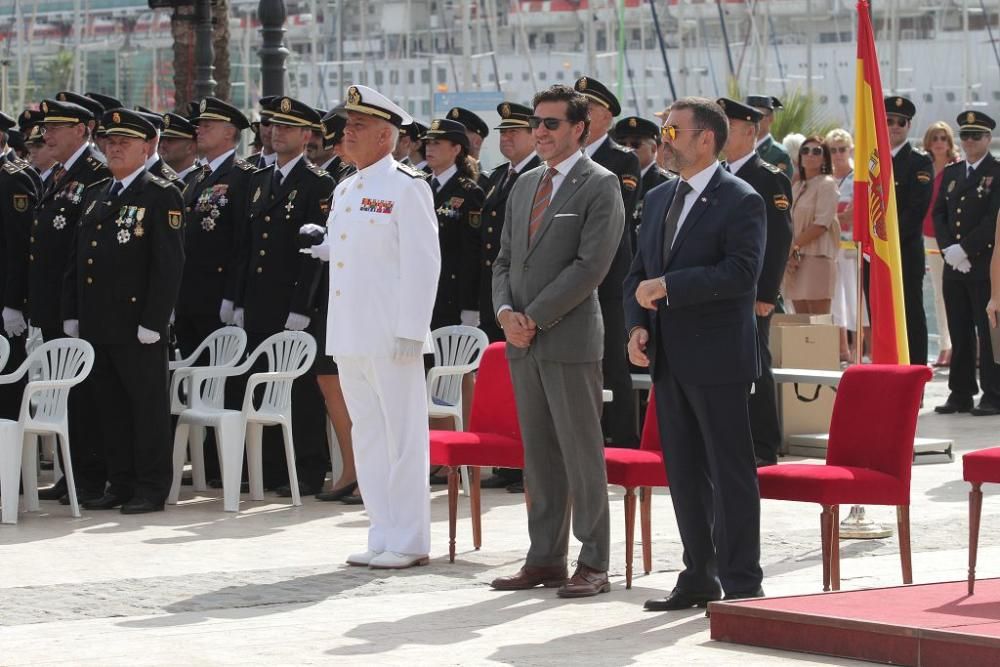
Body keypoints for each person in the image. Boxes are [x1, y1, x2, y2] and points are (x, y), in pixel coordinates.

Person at [625, 96, 765, 610]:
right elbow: (637, 272)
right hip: (669, 355)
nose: (664, 139)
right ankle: (698, 576)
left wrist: (670, 287)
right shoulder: (660, 197)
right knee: (683, 473)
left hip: (718, 357)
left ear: (705, 139)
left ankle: (743, 582)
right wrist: (637, 325)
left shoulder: (741, 198)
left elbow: (741, 273)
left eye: (672, 131)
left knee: (729, 473)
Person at [490, 83, 624, 598]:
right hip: (522, 340)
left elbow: (591, 266)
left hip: (567, 338)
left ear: (578, 129)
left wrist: (533, 316)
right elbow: (503, 260)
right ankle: (544, 558)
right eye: (535, 124)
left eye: (550, 124)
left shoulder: (600, 183)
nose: (539, 132)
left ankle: (594, 562)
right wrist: (505, 313)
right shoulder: (524, 184)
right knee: (540, 456)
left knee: (581, 454)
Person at [304, 84, 440, 569]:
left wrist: (411, 329)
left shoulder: (407, 185)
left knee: (403, 436)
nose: (347, 133)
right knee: (368, 434)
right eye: (347, 126)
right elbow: (359, 256)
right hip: (351, 331)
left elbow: (423, 263)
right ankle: (381, 531)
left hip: (391, 333)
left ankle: (409, 538)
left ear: (386, 134)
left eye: (358, 126)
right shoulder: (346, 186)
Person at [63, 108, 185, 514]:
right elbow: (81, 259)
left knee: (146, 410)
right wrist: (74, 312)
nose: (114, 149)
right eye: (110, 142)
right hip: (100, 322)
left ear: (148, 147)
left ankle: (151, 488)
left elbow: (168, 265)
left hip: (138, 326)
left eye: (125, 143)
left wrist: (154, 321)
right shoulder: (99, 192)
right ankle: (121, 481)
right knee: (110, 408)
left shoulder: (159, 192)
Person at [234, 96, 334, 494]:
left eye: (288, 128)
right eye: (274, 126)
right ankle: (271, 470)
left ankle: (308, 469)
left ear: (307, 135)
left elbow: (317, 255)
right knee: (259, 382)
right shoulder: (259, 180)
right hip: (259, 300)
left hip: (293, 303)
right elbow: (246, 245)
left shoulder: (318, 183)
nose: (278, 133)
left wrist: (303, 306)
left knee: (300, 391)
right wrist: (235, 299)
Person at [31, 97, 110, 506]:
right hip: (51, 304)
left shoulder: (95, 173)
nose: (48, 135)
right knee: (66, 395)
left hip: (78, 305)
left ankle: (91, 477)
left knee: (86, 397)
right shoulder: (58, 174)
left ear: (81, 130)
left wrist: (73, 308)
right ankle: (72, 473)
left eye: (57, 127)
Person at [718, 97, 792, 468]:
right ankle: (735, 438)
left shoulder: (768, 176)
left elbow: (779, 237)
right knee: (727, 365)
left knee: (756, 364)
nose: (720, 135)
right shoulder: (717, 175)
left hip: (752, 294)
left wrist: (766, 293)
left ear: (751, 131)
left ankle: (764, 444)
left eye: (727, 128)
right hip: (722, 290)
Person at [477, 102, 540, 494]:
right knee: (505, 382)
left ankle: (527, 465)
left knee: (528, 385)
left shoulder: (538, 177)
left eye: (515, 131)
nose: (506, 138)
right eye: (503, 132)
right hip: (498, 292)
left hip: (522, 294)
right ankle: (508, 460)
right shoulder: (501, 177)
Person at [574, 75, 639, 447]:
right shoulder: (569, 155)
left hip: (611, 276)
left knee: (614, 360)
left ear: (606, 117)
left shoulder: (622, 158)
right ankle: (588, 436)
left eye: (590, 107)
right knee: (583, 360)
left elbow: (617, 212)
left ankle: (624, 439)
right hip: (575, 274)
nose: (581, 112)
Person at [308, 111, 362, 506]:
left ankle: (367, 474)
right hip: (334, 298)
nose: (337, 148)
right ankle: (351, 468)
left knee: (361, 392)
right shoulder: (344, 183)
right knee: (331, 386)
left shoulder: (392, 184)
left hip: (365, 303)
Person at [174, 98, 253, 358]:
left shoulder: (243, 177)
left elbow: (242, 242)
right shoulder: (197, 178)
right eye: (200, 125)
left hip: (218, 297)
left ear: (229, 132)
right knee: (189, 375)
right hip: (188, 296)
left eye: (208, 125)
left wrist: (233, 297)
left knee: (220, 381)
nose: (199, 130)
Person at [933, 110, 1000, 416]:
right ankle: (960, 392)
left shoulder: (996, 172)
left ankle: (993, 392)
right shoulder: (952, 172)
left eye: (976, 136)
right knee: (959, 330)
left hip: (984, 263)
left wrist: (966, 250)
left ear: (988, 139)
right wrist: (949, 250)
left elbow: (993, 220)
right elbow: (939, 214)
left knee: (987, 333)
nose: (970, 141)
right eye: (965, 136)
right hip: (954, 266)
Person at [884, 96, 933, 367]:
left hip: (904, 250)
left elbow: (916, 211)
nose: (894, 126)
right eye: (889, 120)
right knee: (881, 314)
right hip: (877, 253)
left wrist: (887, 240)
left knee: (911, 314)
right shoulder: (874, 159)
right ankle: (887, 370)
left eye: (900, 122)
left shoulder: (918, 162)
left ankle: (916, 375)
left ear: (909, 125)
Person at [423, 118, 484, 330]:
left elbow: (472, 252)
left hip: (450, 295)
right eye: (428, 143)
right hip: (419, 291)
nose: (429, 148)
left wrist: (470, 305)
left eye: (437, 143)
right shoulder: (418, 186)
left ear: (456, 149)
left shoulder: (468, 192)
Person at [0, 113, 35, 422]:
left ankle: (12, 459)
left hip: (4, 302)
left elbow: (20, 246)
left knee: (8, 379)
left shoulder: (14, 177)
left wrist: (13, 303)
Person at [783, 137, 839, 314]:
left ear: (825, 158)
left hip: (817, 257)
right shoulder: (797, 185)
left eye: (817, 151)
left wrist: (794, 246)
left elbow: (822, 224)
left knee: (818, 323)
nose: (810, 155)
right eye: (805, 151)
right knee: (800, 322)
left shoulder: (827, 184)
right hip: (795, 260)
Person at [825, 128, 866, 361]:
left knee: (856, 299)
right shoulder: (826, 178)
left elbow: (856, 214)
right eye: (833, 150)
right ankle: (843, 348)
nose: (838, 154)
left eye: (842, 149)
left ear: (850, 149)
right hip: (832, 246)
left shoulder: (856, 177)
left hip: (853, 246)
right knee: (835, 299)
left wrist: (835, 218)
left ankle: (862, 349)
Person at [923, 120, 960, 367]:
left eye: (943, 138)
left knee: (958, 293)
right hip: (928, 235)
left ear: (949, 143)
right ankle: (945, 346)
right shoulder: (922, 167)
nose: (939, 143)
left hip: (954, 238)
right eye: (935, 138)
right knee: (939, 293)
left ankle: (960, 346)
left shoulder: (957, 168)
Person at [612, 115, 673, 251]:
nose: (628, 149)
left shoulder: (668, 185)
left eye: (635, 144)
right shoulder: (610, 179)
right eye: (622, 144)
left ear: (653, 149)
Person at [746, 95, 793, 178]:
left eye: (758, 115)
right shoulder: (737, 148)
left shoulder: (779, 154)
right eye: (748, 116)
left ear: (771, 118)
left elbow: (781, 188)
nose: (753, 120)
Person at [158, 112, 200, 187]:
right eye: (162, 139)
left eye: (170, 140)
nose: (162, 145)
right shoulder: (156, 179)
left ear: (190, 147)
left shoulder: (200, 181)